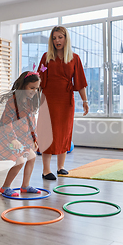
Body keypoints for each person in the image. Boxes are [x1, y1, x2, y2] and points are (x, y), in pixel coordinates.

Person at [37, 26, 88, 180]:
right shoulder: (46, 57)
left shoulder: (75, 58)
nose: (57, 41)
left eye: (60, 37)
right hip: (48, 99)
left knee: (64, 133)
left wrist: (84, 101)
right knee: (48, 133)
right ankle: (46, 170)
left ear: (66, 38)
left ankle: (61, 167)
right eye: (54, 38)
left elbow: (79, 82)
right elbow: (38, 80)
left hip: (66, 100)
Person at [0, 71, 41, 196]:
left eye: (37, 88)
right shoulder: (12, 102)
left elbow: (32, 122)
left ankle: (25, 186)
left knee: (32, 157)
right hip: (9, 137)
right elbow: (6, 122)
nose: (34, 91)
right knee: (20, 161)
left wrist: (35, 138)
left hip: (23, 138)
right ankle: (5, 187)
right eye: (32, 88)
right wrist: (13, 139)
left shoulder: (30, 102)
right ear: (23, 85)